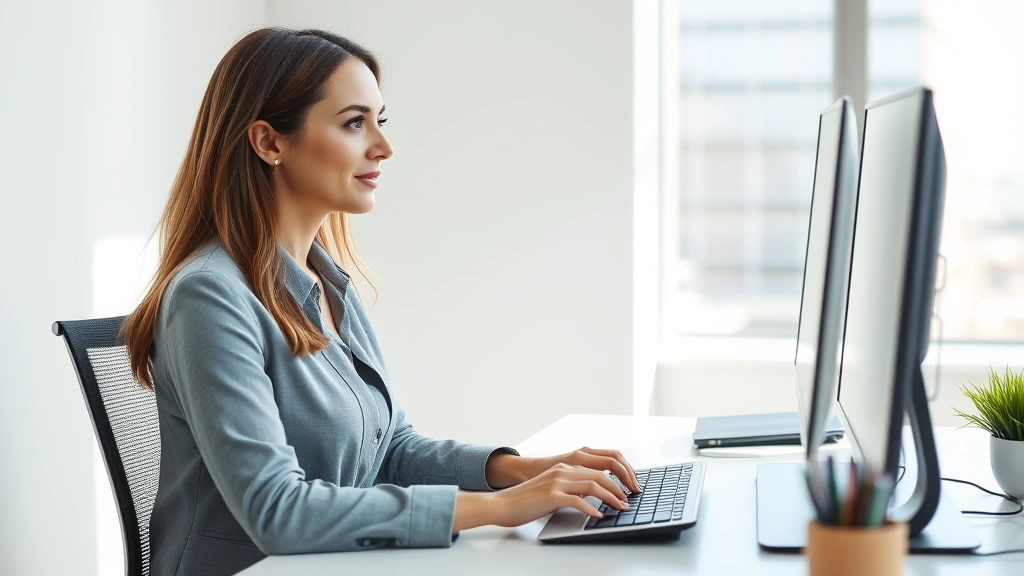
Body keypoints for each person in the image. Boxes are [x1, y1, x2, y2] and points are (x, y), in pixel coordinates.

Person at [121, 27, 641, 576]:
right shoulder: (210, 295)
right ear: (270, 143)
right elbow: (277, 512)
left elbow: (389, 449)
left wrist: (520, 470)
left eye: (379, 120)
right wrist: (501, 508)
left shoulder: (328, 282)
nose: (383, 146)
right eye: (353, 123)